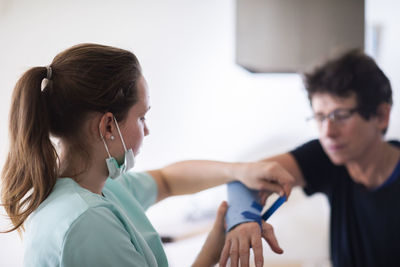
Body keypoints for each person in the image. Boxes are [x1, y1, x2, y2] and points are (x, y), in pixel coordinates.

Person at [0, 43, 294, 267]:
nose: (147, 130)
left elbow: (168, 180)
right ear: (107, 126)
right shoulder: (87, 222)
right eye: (142, 117)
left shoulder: (98, 188)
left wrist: (239, 172)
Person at [220, 50, 400, 267]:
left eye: (340, 116)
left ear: (381, 116)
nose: (327, 132)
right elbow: (244, 177)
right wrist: (244, 218)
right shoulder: (327, 156)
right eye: (320, 118)